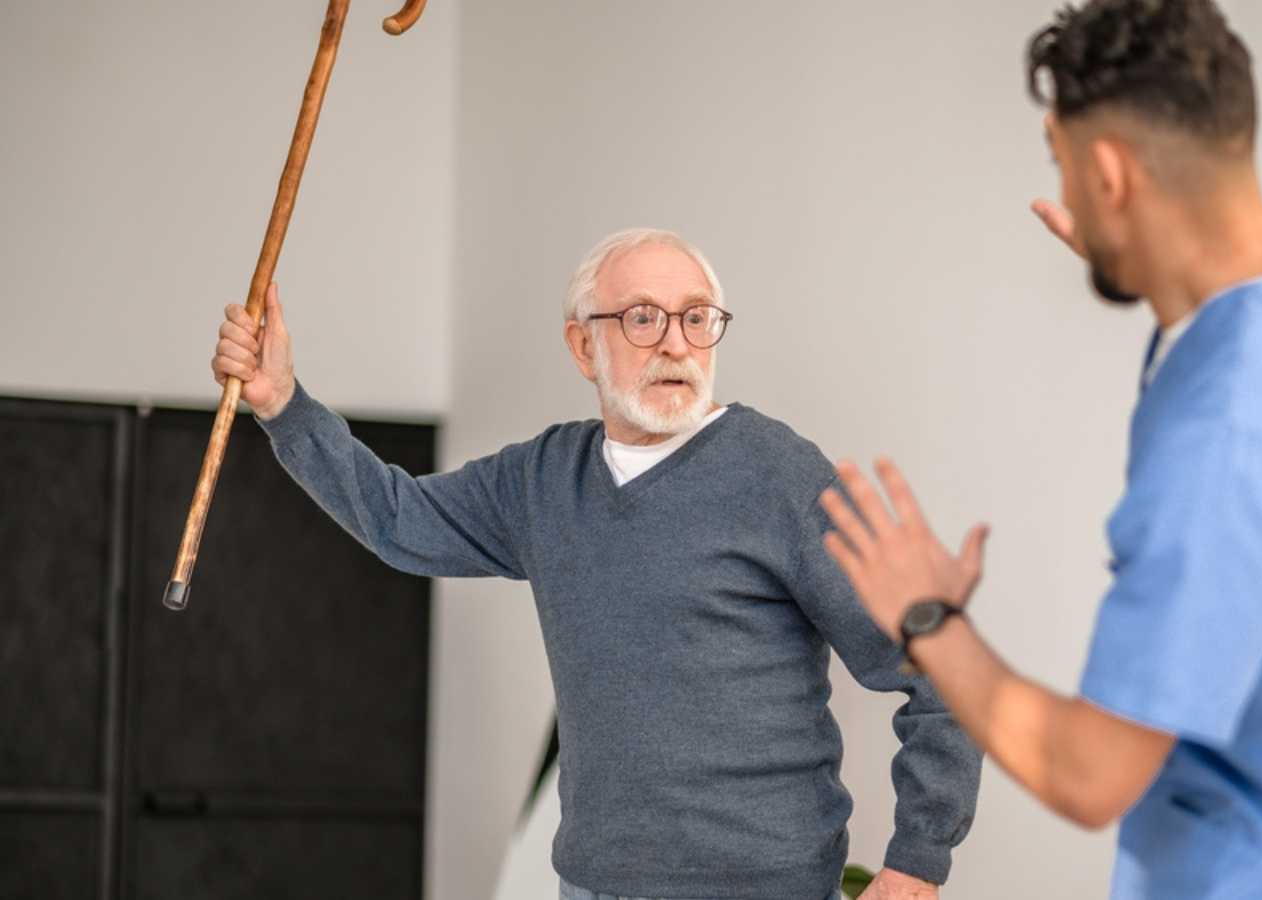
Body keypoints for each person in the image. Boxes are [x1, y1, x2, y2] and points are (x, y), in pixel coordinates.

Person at [816, 2, 1262, 897]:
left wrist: (929, 620)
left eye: (1067, 165)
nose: (1068, 192)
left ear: (1111, 174)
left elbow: (1089, 773)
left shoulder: (1236, 433)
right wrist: (1142, 257)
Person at [208, 228, 981, 900]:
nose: (676, 342)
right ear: (584, 345)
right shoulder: (543, 480)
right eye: (642, 318)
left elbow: (941, 666)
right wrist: (283, 404)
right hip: (591, 883)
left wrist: (918, 862)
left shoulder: (778, 475)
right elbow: (398, 520)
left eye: (697, 319)